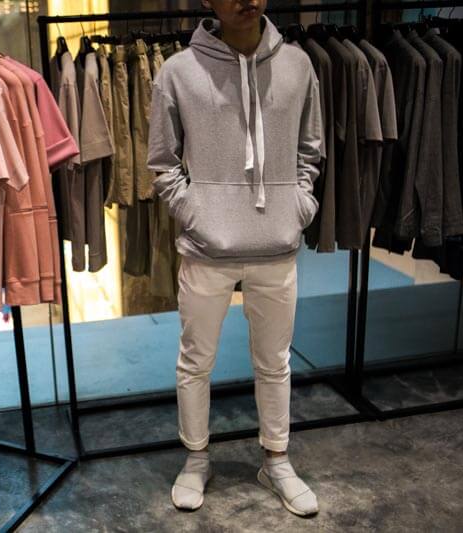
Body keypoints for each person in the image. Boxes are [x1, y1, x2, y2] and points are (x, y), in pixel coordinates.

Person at [147, 0, 323, 516]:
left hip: (277, 244)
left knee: (275, 362)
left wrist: (300, 206)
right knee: (195, 361)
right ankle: (196, 459)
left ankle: (277, 460)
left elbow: (310, 149)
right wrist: (195, 212)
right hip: (207, 249)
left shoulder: (298, 65)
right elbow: (162, 161)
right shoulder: (178, 71)